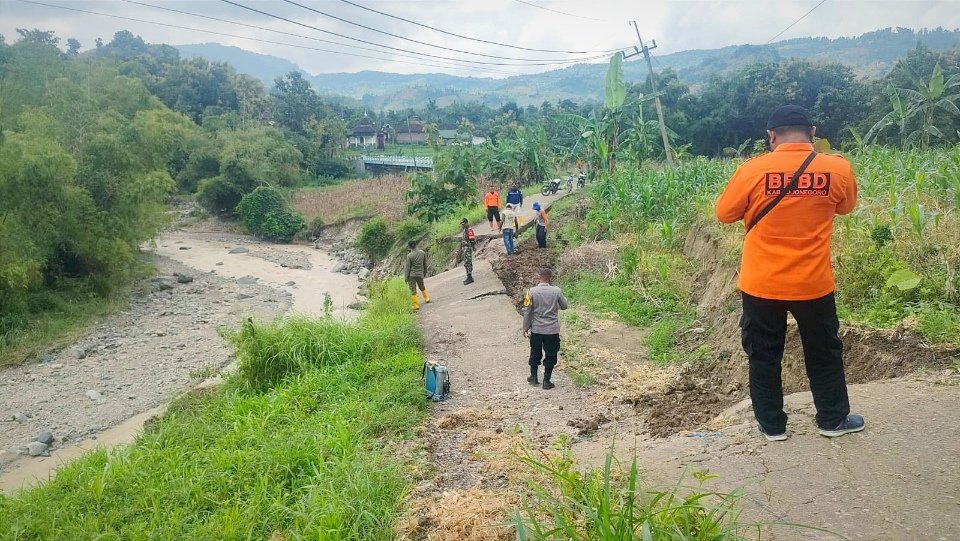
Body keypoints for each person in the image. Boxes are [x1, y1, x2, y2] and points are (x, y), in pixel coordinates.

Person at [715, 104, 863, 442]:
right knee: (824, 351)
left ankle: (772, 426)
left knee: (764, 354)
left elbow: (725, 214)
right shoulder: (837, 169)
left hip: (762, 283)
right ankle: (832, 420)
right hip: (814, 283)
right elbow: (846, 207)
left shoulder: (753, 170)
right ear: (813, 133)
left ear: (771, 136)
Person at [522, 268, 569, 390]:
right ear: (550, 277)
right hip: (552, 330)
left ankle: (533, 377)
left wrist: (525, 327)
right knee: (551, 354)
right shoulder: (557, 291)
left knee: (535, 352)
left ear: (539, 277)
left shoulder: (530, 291)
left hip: (537, 330)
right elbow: (565, 306)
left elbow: (527, 310)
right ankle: (547, 381)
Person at [403, 240, 429, 311]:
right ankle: (427, 298)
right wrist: (424, 272)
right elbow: (425, 264)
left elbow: (407, 267)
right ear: (416, 245)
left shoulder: (409, 256)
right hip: (420, 273)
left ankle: (416, 305)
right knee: (422, 286)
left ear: (409, 247)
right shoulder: (422, 253)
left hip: (412, 275)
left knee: (413, 290)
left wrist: (406, 277)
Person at [459, 218, 475, 285]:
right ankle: (468, 276)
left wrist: (473, 247)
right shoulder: (465, 230)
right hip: (465, 248)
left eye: (464, 224)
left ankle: (470, 277)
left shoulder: (469, 230)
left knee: (468, 262)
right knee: (466, 263)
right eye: (462, 224)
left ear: (466, 223)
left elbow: (472, 239)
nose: (463, 225)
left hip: (468, 248)